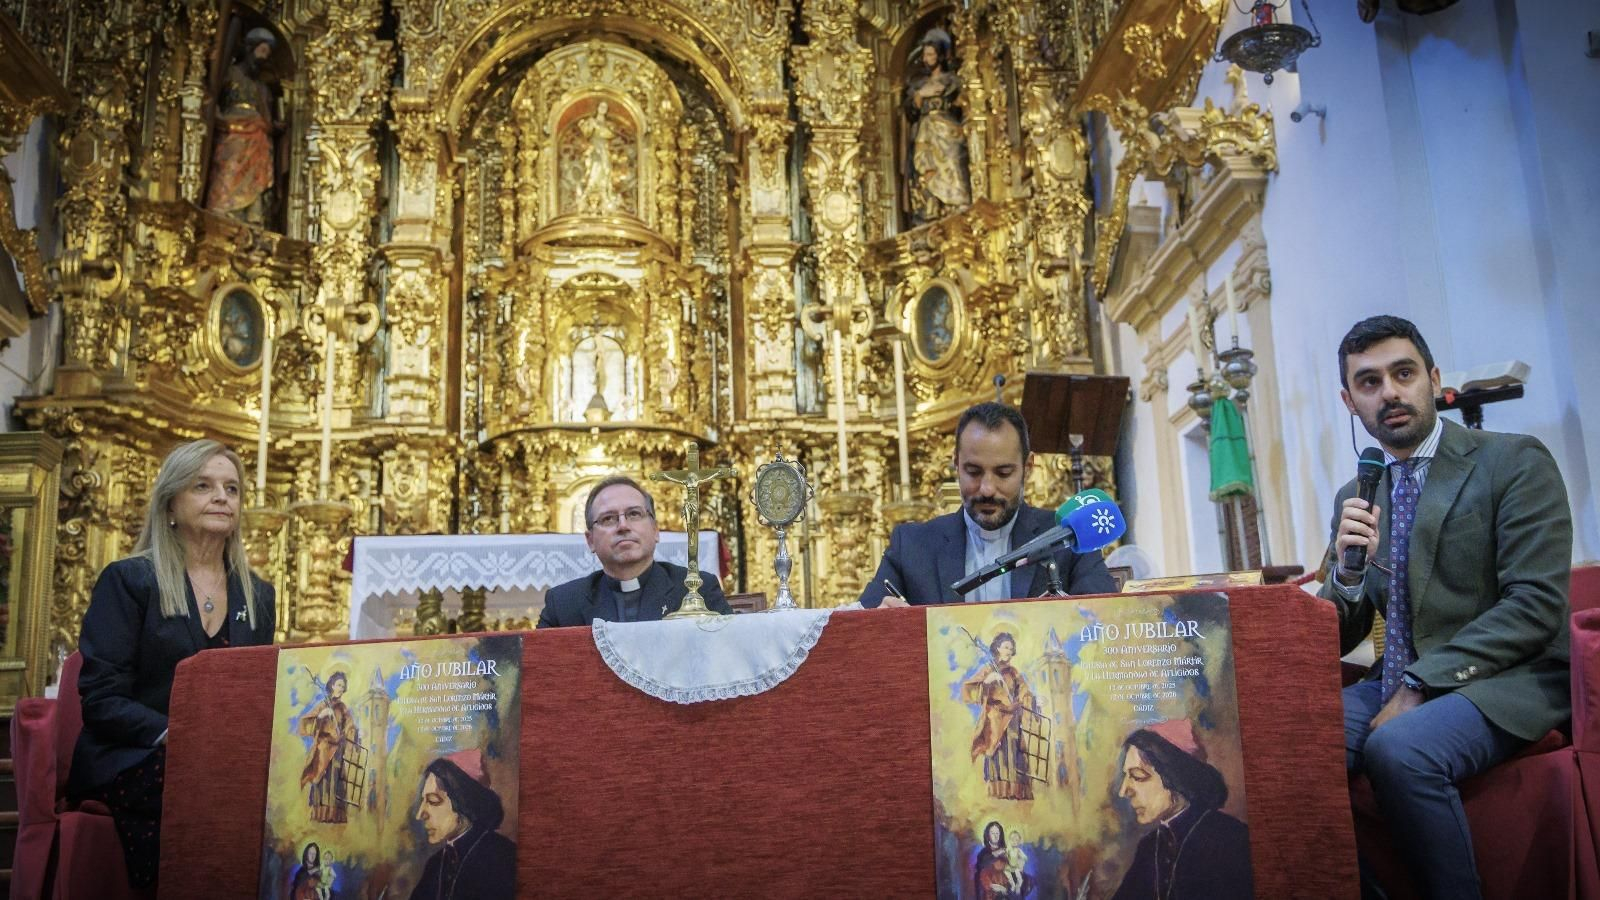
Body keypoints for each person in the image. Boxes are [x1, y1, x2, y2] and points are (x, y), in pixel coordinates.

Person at [1320, 315, 1571, 899]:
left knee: (1399, 749)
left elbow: (1535, 605)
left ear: (1432, 378)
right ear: (1350, 401)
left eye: (1403, 373)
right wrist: (1348, 569)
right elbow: (1331, 635)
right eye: (1370, 382)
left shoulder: (1512, 461)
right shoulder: (1358, 494)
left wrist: (1417, 684)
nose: (1390, 392)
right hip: (1403, 673)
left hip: (1512, 676)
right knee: (1285, 742)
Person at [66, 439, 276, 889]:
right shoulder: (129, 580)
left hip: (221, 762)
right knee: (199, 787)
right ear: (170, 506)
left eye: (232, 489)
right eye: (203, 485)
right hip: (134, 757)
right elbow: (101, 698)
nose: (222, 497)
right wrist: (176, 738)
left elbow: (260, 697)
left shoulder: (258, 596)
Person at [858, 402, 1116, 607]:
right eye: (973, 472)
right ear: (956, 464)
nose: (987, 488)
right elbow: (861, 625)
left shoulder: (1069, 539)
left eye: (1003, 473)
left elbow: (1104, 623)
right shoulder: (912, 546)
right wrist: (883, 620)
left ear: (1028, 467)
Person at [536, 476, 732, 626]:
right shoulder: (563, 604)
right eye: (608, 519)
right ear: (590, 540)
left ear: (655, 530)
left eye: (634, 514)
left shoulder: (698, 590)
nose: (623, 526)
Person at [1110, 725, 1253, 900]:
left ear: (1176, 779)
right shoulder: (1149, 847)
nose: (1123, 791)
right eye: (1125, 776)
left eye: (1138, 776)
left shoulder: (1232, 839)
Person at [411, 753, 517, 900]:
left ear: (464, 803)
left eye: (433, 801)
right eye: (423, 801)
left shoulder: (504, 857)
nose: (420, 814)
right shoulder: (434, 865)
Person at [205, 27, 280, 225]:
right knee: (229, 165)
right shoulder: (229, 73)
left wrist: (273, 126)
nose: (263, 59)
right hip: (232, 131)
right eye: (261, 52)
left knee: (258, 167)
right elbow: (211, 97)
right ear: (250, 49)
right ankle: (224, 207)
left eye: (267, 55)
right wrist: (220, 118)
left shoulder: (261, 87)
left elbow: (267, 118)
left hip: (257, 135)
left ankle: (252, 214)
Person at [903, 30, 971, 225]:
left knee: (953, 159)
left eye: (931, 54)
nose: (927, 59)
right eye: (925, 55)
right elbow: (910, 111)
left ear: (940, 56)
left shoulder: (952, 80)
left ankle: (957, 203)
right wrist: (921, 94)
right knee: (926, 168)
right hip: (927, 130)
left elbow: (963, 103)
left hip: (948, 129)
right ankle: (932, 206)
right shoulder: (919, 84)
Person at [961, 632, 1039, 800]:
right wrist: (988, 681)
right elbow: (970, 689)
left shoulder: (1014, 673)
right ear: (997, 648)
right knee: (998, 752)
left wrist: (1026, 699)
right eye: (1006, 647)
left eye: (1011, 648)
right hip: (995, 720)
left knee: (1014, 752)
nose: (1009, 651)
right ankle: (997, 791)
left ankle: (1015, 791)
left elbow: (1025, 691)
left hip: (1012, 720)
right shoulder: (989, 669)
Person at [299, 670, 360, 823]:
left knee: (334, 780)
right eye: (338, 684)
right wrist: (321, 716)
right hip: (323, 750)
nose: (340, 688)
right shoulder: (323, 704)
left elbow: (350, 727)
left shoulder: (343, 708)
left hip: (337, 752)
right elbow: (307, 723)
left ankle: (333, 815)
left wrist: (351, 735)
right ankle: (319, 814)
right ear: (332, 685)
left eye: (343, 686)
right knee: (321, 779)